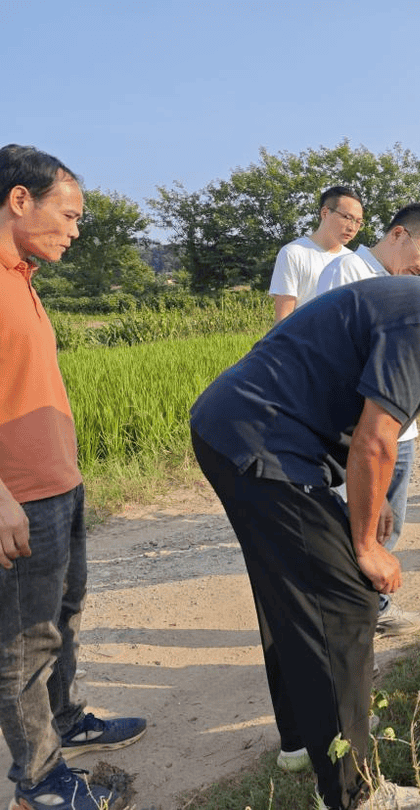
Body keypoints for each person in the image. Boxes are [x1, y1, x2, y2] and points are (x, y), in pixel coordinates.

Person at [191, 257, 420, 810]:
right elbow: (376, 441)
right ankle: (353, 793)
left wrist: (370, 506)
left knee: (292, 588)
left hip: (234, 430)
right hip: (263, 442)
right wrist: (365, 546)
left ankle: (301, 739)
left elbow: (367, 426)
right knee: (345, 599)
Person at [0, 145, 146, 810]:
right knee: (24, 643)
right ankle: (39, 781)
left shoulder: (20, 274)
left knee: (62, 618)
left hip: (59, 483)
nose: (78, 229)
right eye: (71, 213)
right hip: (18, 497)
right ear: (20, 200)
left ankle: (65, 723)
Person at [316, 203, 420, 640]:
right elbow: (340, 372)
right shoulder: (347, 274)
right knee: (362, 527)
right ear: (398, 235)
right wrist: (370, 463)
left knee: (387, 528)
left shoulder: (401, 284)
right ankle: (352, 617)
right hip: (364, 433)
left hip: (399, 432)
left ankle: (374, 607)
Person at [268, 185, 364, 322]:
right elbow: (283, 318)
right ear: (325, 213)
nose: (352, 227)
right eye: (347, 217)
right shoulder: (293, 253)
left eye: (358, 222)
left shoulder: (352, 260)